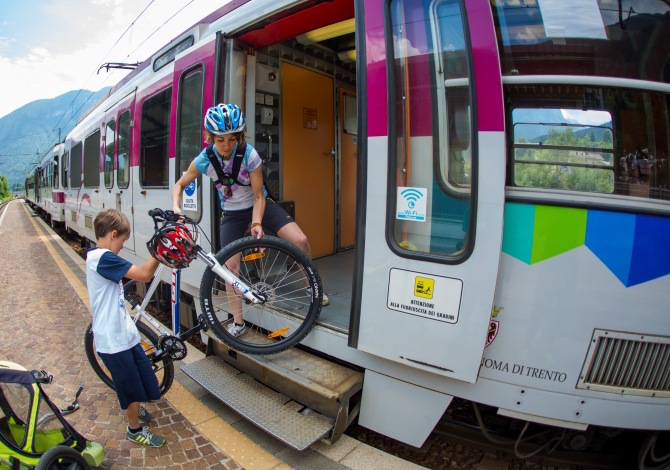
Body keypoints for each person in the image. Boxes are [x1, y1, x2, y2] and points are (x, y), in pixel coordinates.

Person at [172, 103, 328, 338]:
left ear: (239, 136)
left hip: (260, 206)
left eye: (232, 139)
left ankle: (311, 287)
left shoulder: (249, 155)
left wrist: (257, 223)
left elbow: (258, 195)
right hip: (233, 214)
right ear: (211, 138)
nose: (227, 146)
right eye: (221, 140)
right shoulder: (204, 159)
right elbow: (180, 185)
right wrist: (176, 207)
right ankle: (238, 321)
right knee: (229, 269)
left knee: (301, 241)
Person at [86, 208, 166, 447]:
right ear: (113, 234)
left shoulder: (98, 257)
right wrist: (162, 246)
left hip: (125, 335)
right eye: (122, 240)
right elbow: (143, 274)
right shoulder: (103, 258)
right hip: (113, 341)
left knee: (141, 376)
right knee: (130, 387)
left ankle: (136, 408)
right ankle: (134, 429)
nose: (122, 246)